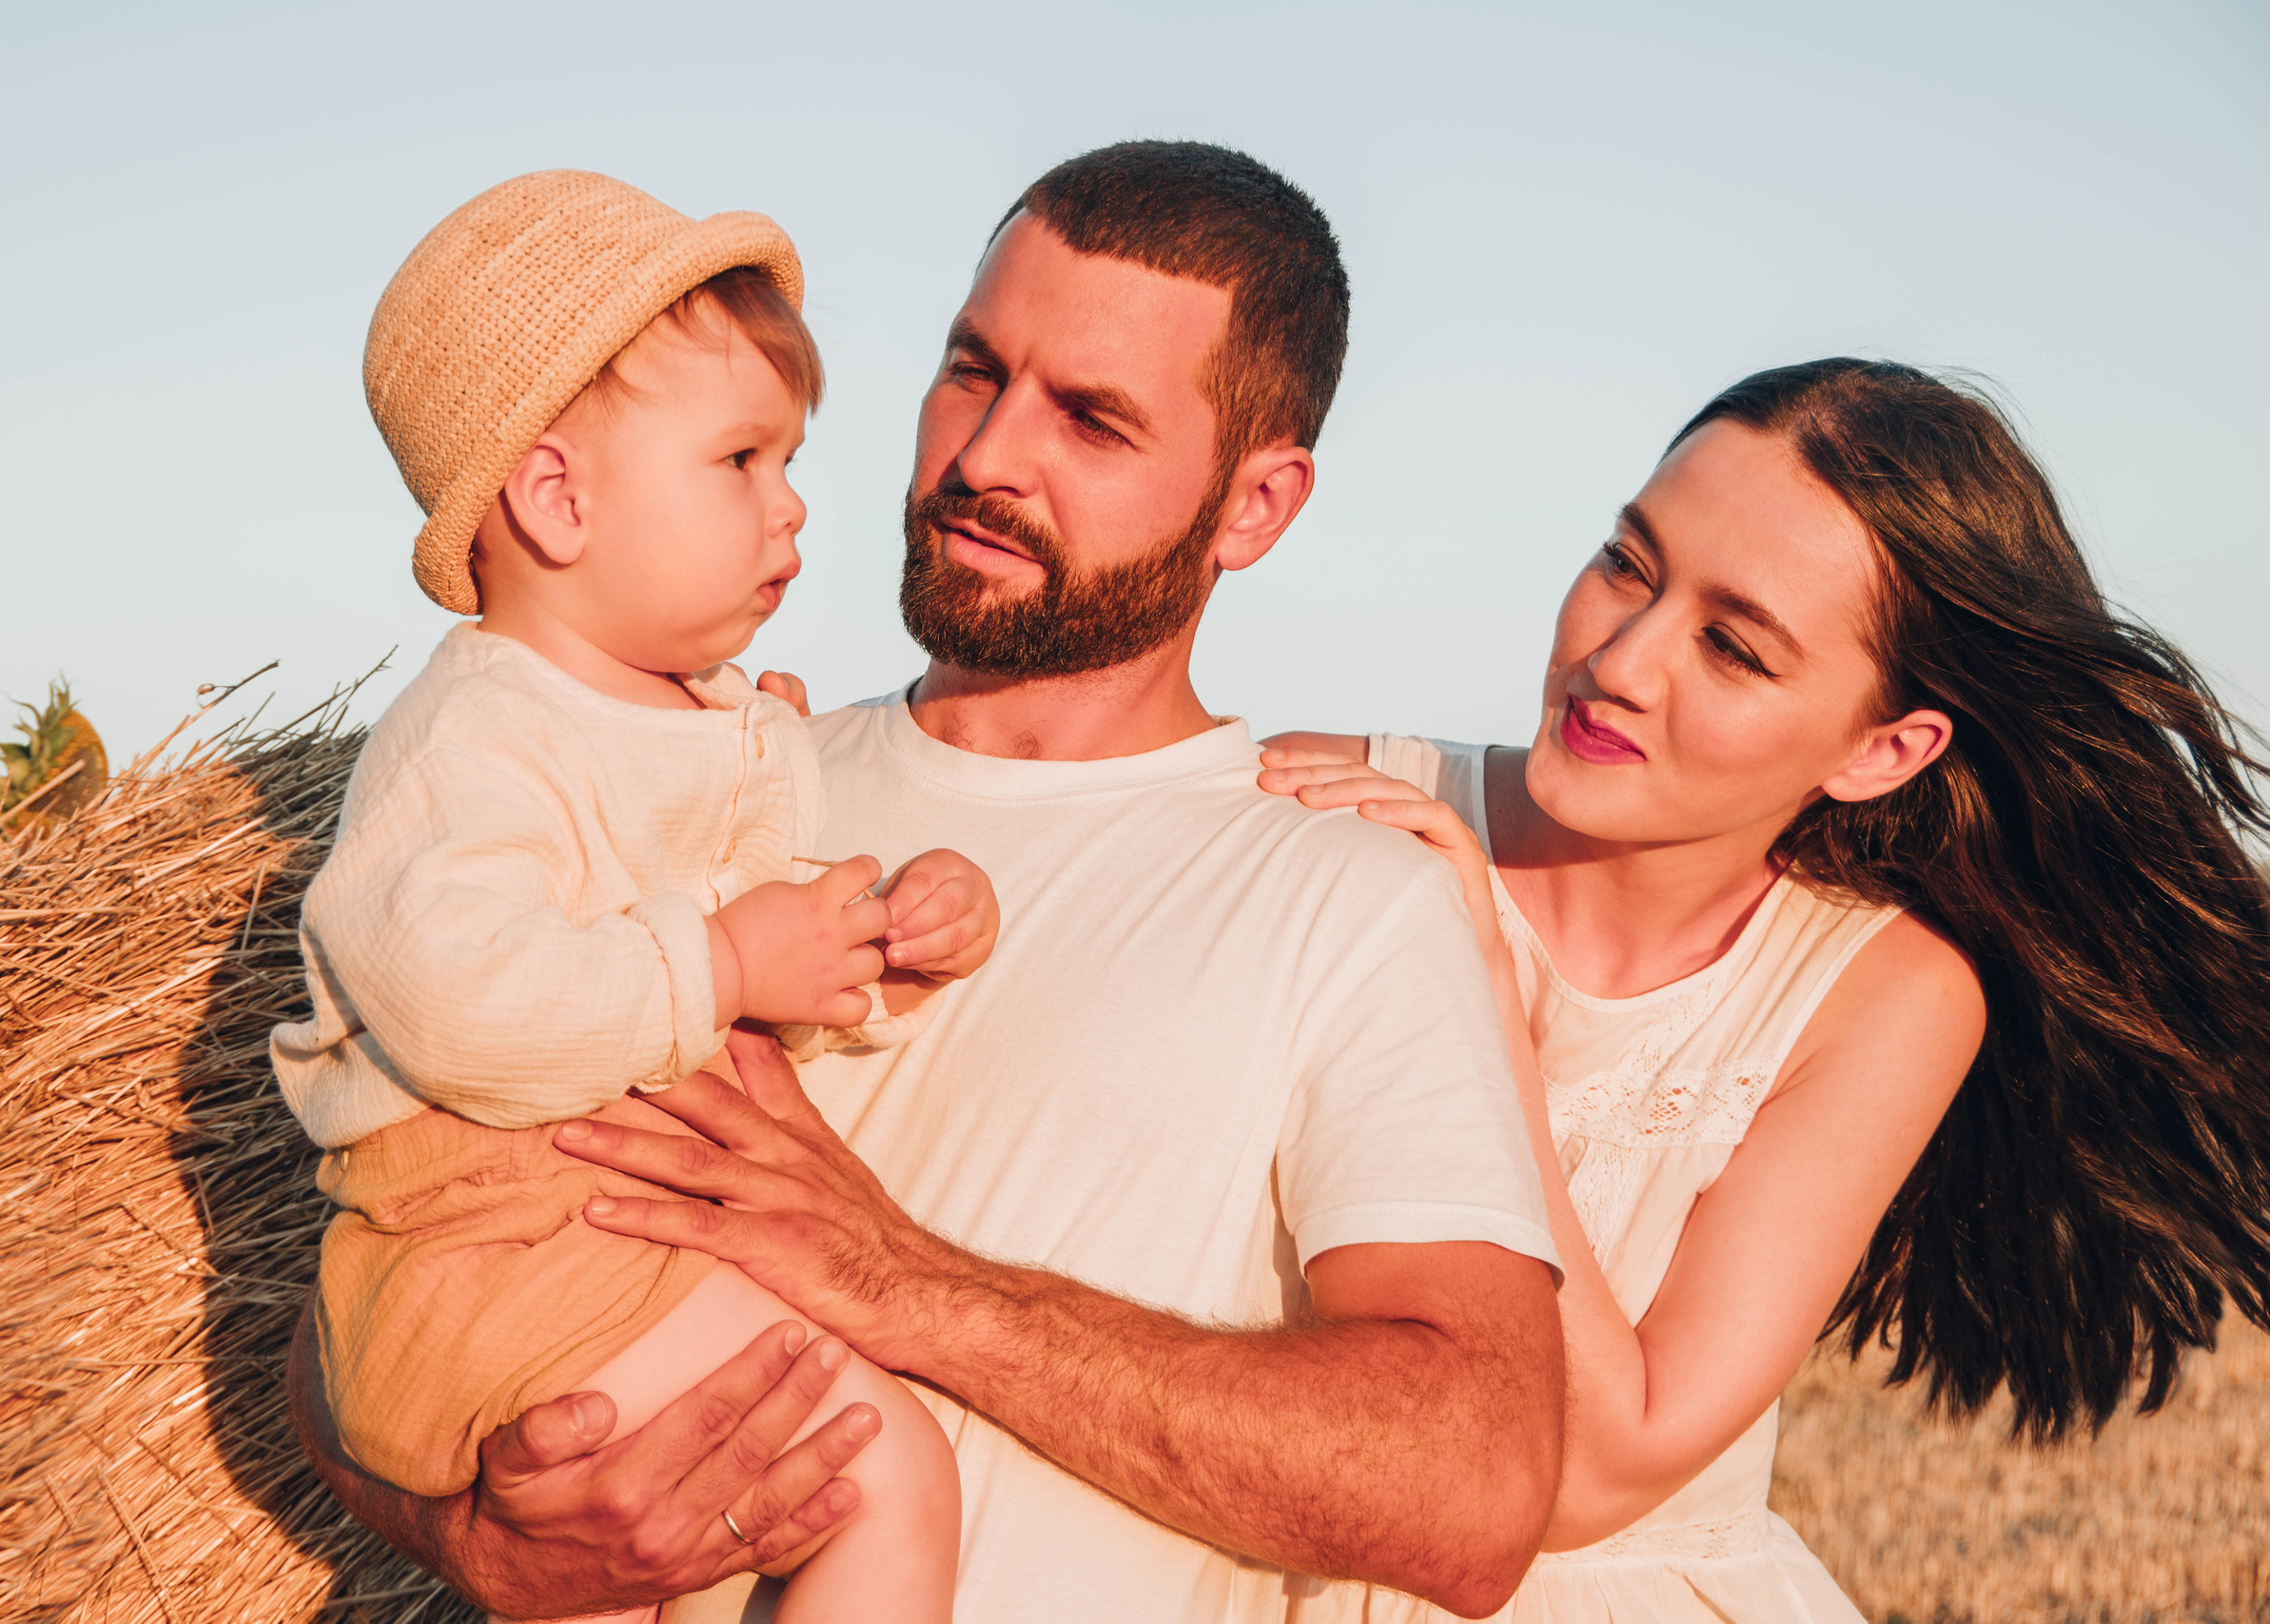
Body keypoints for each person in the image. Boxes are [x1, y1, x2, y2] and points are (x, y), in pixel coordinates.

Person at [294, 141, 1568, 1624]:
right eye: (974, 369)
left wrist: (908, 1284)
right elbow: (358, 1269)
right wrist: (468, 1532)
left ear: (1254, 505)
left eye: (1090, 418)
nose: (985, 456)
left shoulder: (1342, 900)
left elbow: (1473, 1493)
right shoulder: (704, 771)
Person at [1257, 357, 2270, 1620]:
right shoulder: (1316, 808)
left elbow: (1588, 1473)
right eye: (1629, 563)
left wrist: (1461, 987)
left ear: (1881, 748)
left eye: (1732, 647)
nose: (1621, 660)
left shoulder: (1886, 988)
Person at [273, 171, 1004, 1624]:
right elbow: (460, 998)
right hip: (494, 1244)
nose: (793, 505)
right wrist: (728, 961)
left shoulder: (696, 721)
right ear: (556, 496)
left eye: (789, 459)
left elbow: (734, 984)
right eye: (739, 458)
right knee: (887, 1479)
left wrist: (880, 948)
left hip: (599, 1236)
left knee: (653, 1578)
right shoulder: (475, 733)